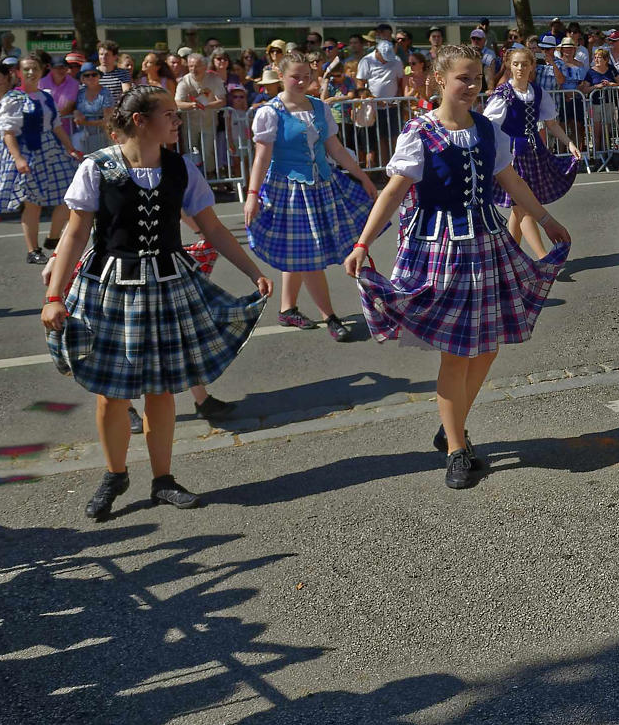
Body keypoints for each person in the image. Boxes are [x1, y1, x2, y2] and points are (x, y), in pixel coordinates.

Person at [41, 85, 272, 520]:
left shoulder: (181, 168)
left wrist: (252, 270)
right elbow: (73, 234)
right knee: (111, 393)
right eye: (169, 114)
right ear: (140, 120)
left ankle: (163, 479)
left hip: (167, 285)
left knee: (162, 388)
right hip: (110, 287)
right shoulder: (97, 168)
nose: (177, 120)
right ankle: (114, 473)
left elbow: (213, 229)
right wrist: (54, 296)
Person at [348, 45, 571, 489]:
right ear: (439, 80)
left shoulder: (489, 130)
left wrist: (547, 220)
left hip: (488, 245)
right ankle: (456, 447)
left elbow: (510, 181)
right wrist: (363, 242)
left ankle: (452, 423)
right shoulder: (421, 132)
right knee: (458, 350)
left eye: (476, 79)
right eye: (462, 79)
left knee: (488, 345)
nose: (470, 87)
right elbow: (393, 192)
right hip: (442, 249)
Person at [245, 54, 379, 341]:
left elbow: (336, 148)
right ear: (281, 76)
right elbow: (261, 157)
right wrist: (252, 194)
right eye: (296, 75)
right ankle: (329, 315)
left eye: (307, 75)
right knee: (308, 255)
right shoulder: (270, 112)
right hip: (289, 190)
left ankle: (287, 308)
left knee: (300, 250)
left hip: (321, 185)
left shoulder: (319, 107)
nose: (303, 80)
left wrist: (363, 177)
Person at [484, 44, 578, 259]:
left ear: (532, 66)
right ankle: (543, 256)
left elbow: (551, 123)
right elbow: (489, 125)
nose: (520, 68)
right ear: (509, 65)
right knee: (523, 206)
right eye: (515, 64)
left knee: (520, 209)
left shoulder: (537, 92)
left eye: (524, 64)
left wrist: (569, 142)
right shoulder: (503, 94)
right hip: (511, 156)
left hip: (534, 153)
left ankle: (508, 259)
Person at [0, 54, 81, 263]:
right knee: (33, 202)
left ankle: (53, 237)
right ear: (18, 73)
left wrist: (71, 149)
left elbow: (56, 126)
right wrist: (18, 159)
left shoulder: (46, 96)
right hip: (27, 150)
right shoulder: (12, 98)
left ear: (42, 71)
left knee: (69, 196)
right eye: (26, 69)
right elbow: (7, 132)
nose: (31, 73)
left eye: (35, 69)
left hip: (50, 149)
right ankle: (33, 250)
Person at [354, 26, 407, 163]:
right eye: (384, 58)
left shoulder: (396, 61)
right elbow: (360, 85)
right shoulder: (366, 61)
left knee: (395, 138)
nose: (386, 61)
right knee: (379, 139)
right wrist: (373, 99)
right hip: (373, 109)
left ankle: (397, 168)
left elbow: (401, 81)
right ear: (376, 51)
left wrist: (400, 100)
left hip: (393, 108)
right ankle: (384, 170)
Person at [174, 49, 227, 174]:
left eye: (197, 66)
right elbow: (176, 102)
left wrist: (206, 105)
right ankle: (193, 178)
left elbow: (222, 101)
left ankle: (209, 177)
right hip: (190, 124)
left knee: (208, 151)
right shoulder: (184, 81)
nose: (193, 69)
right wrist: (192, 105)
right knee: (191, 151)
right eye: (191, 66)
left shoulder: (214, 79)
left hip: (209, 122)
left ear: (204, 66)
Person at [71, 63, 114, 155]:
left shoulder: (105, 93)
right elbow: (72, 108)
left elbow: (107, 120)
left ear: (99, 77)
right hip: (82, 138)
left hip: (101, 138)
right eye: (87, 75)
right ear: (82, 79)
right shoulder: (79, 92)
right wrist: (76, 112)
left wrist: (85, 123)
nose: (91, 77)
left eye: (94, 74)